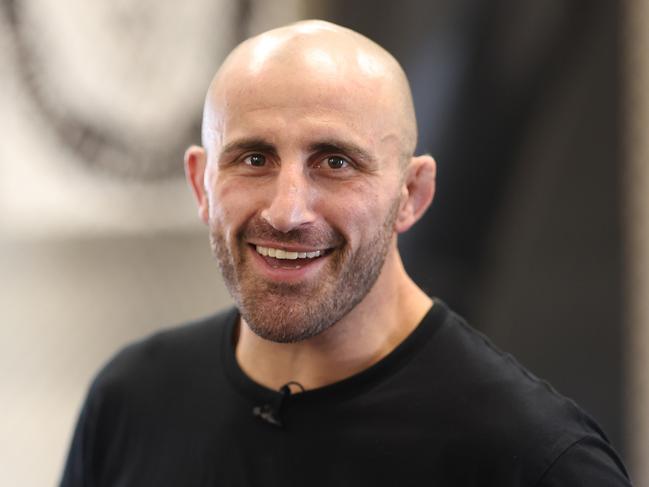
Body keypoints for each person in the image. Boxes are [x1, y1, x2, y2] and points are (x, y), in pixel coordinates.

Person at [60, 20, 631, 486]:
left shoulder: (534, 459)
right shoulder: (131, 401)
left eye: (336, 162)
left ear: (411, 194)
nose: (287, 212)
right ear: (201, 185)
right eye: (253, 159)